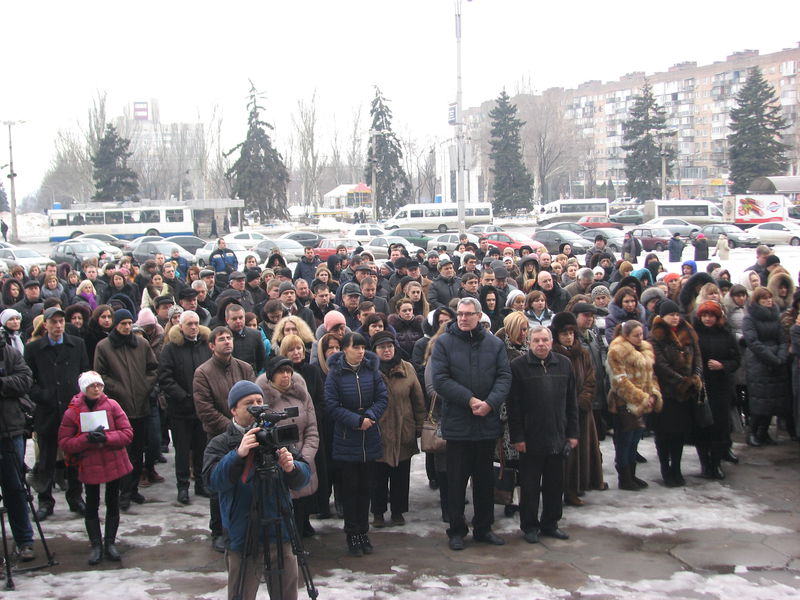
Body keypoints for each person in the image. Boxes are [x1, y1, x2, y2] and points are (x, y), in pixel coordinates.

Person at [203, 380, 311, 600]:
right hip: (244, 537)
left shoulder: (275, 438)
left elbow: (303, 478)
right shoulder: (220, 443)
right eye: (249, 403)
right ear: (233, 409)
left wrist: (291, 468)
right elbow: (212, 482)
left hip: (279, 533)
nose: (256, 407)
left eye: (259, 401)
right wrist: (238, 454)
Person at [431, 297, 511, 551]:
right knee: (456, 482)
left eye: (468, 314)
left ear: (479, 316)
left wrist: (490, 403)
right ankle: (456, 529)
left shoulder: (494, 344)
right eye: (460, 314)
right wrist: (470, 400)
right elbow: (440, 380)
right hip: (458, 424)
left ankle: (484, 527)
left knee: (485, 481)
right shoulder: (444, 342)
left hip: (486, 423)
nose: (463, 318)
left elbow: (504, 376)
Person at [508, 325, 578, 543]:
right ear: (529, 342)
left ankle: (551, 523)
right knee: (529, 486)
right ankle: (529, 526)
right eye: (536, 340)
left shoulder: (564, 364)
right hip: (530, 438)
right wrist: (518, 437)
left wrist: (573, 433)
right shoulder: (518, 366)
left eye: (544, 340)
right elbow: (514, 407)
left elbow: (571, 402)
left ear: (551, 342)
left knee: (554, 485)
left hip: (557, 435)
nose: (540, 344)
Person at [58, 371, 133, 564]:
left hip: (113, 460)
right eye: (92, 386)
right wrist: (85, 439)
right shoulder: (73, 411)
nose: (97, 389)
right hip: (89, 463)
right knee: (92, 503)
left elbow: (127, 433)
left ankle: (110, 542)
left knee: (112, 501)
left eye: (99, 385)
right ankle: (96, 544)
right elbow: (65, 442)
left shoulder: (112, 405)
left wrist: (107, 437)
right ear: (84, 389)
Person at [193, 326, 256, 552]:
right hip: (219, 437)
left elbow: (254, 397)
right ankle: (218, 530)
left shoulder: (244, 367)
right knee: (219, 485)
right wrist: (232, 427)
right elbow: (205, 408)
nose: (227, 342)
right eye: (221, 339)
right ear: (212, 345)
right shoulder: (203, 372)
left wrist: (246, 425)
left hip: (249, 433)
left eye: (229, 338)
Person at [25, 306, 91, 520]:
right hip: (47, 412)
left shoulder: (77, 344)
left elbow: (84, 373)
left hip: (72, 412)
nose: (58, 326)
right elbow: (28, 380)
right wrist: (42, 394)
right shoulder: (35, 349)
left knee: (75, 458)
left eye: (61, 322)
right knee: (46, 459)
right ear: (45, 324)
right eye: (53, 322)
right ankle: (45, 501)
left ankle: (75, 498)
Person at [325, 332, 388, 556]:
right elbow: (331, 405)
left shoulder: (371, 370)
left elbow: (383, 397)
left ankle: (364, 531)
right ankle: (352, 533)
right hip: (347, 438)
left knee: (366, 489)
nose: (361, 352)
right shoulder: (335, 373)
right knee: (350, 490)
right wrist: (356, 420)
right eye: (356, 347)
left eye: (363, 347)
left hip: (369, 436)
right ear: (345, 349)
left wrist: (370, 416)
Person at [94, 309, 159, 510]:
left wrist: (145, 386)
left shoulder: (141, 344)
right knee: (121, 452)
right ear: (116, 324)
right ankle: (122, 493)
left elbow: (153, 368)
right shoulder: (104, 347)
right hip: (118, 407)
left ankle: (132, 489)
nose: (127, 327)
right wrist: (116, 388)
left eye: (130, 323)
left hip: (141, 406)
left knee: (138, 451)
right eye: (123, 323)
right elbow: (100, 374)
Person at [256, 355, 319, 538]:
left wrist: (304, 458)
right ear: (271, 375)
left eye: (288, 371)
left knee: (301, 507)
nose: (286, 376)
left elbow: (312, 429)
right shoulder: (263, 400)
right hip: (278, 460)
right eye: (280, 372)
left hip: (302, 456)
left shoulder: (302, 393)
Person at [370, 331, 425, 528]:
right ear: (374, 350)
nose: (386, 350)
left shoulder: (407, 368)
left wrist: (419, 425)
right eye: (382, 347)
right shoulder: (369, 370)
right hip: (378, 432)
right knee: (378, 476)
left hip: (404, 430)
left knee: (401, 475)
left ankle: (398, 511)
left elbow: (418, 400)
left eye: (389, 346)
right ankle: (377, 512)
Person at [549, 312, 605, 505]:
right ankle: (566, 489)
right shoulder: (553, 354)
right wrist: (569, 405)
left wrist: (584, 399)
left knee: (583, 450)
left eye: (572, 333)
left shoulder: (582, 353)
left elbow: (591, 379)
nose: (569, 337)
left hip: (582, 410)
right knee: (565, 455)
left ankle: (578, 485)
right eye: (564, 333)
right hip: (562, 412)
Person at [158, 311, 213, 504]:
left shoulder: (205, 346)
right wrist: (184, 397)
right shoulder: (171, 348)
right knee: (182, 450)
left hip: (202, 408)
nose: (193, 327)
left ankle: (201, 482)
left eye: (196, 323)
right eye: (189, 324)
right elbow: (165, 377)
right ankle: (183, 487)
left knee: (201, 448)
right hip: (180, 409)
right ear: (180, 326)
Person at [649, 300, 703, 487]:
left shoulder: (688, 332)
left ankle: (677, 468)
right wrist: (681, 379)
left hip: (686, 392)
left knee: (680, 433)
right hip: (667, 391)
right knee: (665, 433)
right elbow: (660, 364)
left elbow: (698, 358)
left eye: (677, 314)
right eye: (671, 315)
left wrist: (695, 377)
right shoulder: (656, 336)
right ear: (662, 317)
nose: (675, 318)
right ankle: (666, 467)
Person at [606, 320, 662, 490]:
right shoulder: (617, 351)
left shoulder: (645, 349)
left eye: (641, 334)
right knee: (624, 441)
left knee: (635, 440)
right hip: (624, 404)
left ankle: (632, 474)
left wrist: (653, 394)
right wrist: (641, 397)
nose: (639, 338)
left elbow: (651, 376)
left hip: (642, 403)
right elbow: (619, 381)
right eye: (635, 335)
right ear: (626, 335)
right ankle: (624, 477)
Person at [693, 301, 740, 479]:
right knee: (703, 426)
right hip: (702, 386)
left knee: (720, 425)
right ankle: (705, 462)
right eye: (704, 316)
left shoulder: (727, 335)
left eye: (711, 316)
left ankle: (716, 462)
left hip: (721, 385)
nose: (707, 319)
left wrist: (723, 365)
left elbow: (736, 359)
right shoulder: (695, 335)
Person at [0, 331, 35, 562]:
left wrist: (2, 382)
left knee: (14, 488)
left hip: (9, 429)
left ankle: (24, 540)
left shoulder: (9, 352)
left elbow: (25, 379)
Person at [742, 287, 789, 446]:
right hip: (759, 363)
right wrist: (772, 358)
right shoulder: (750, 319)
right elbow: (753, 342)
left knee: (773, 400)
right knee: (759, 400)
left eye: (770, 298)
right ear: (757, 301)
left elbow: (782, 339)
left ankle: (764, 432)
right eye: (764, 299)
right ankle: (753, 432)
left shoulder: (776, 317)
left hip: (776, 361)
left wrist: (781, 357)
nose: (769, 301)